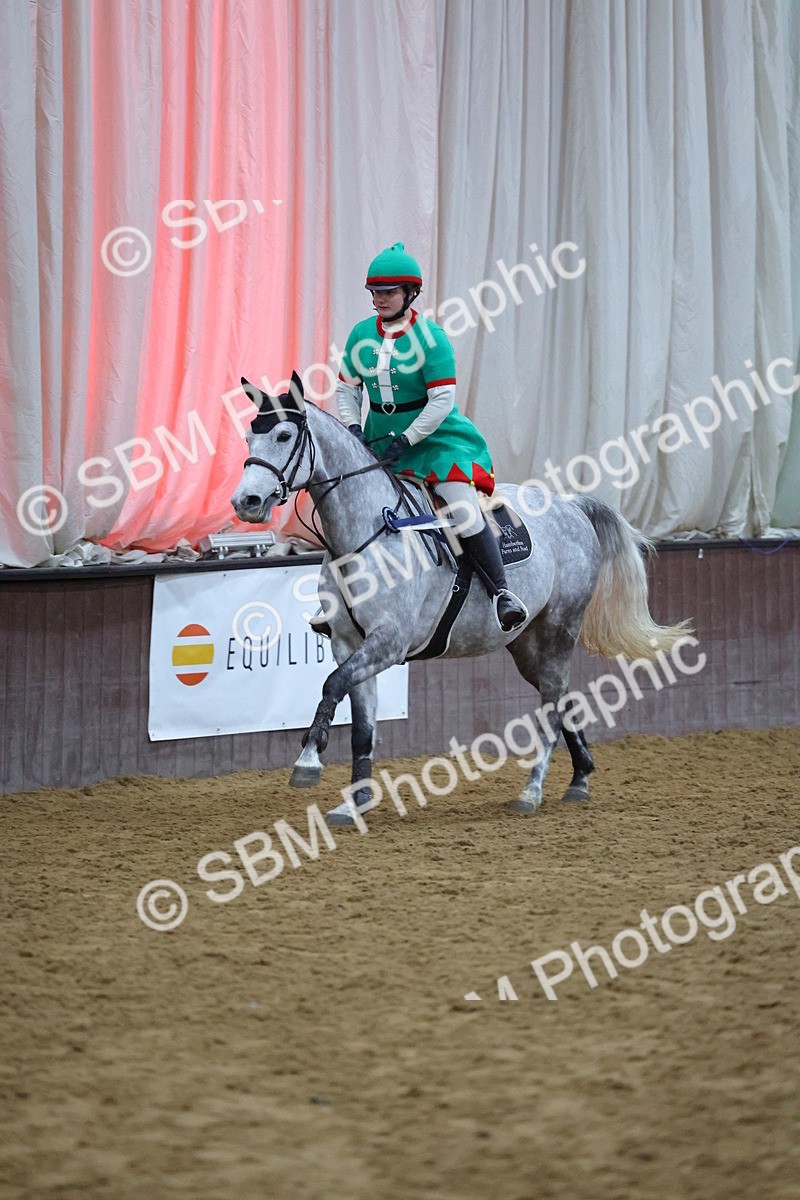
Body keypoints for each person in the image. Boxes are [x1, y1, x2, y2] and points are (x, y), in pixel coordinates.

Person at [335, 242, 528, 632]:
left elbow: (442, 401)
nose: (379, 299)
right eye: (374, 291)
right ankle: (337, 602)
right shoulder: (360, 334)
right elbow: (346, 389)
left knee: (462, 509)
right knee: (348, 507)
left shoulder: (432, 337)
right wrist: (354, 428)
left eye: (388, 292)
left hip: (437, 441)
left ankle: (502, 594)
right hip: (378, 440)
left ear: (410, 293)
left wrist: (407, 440)